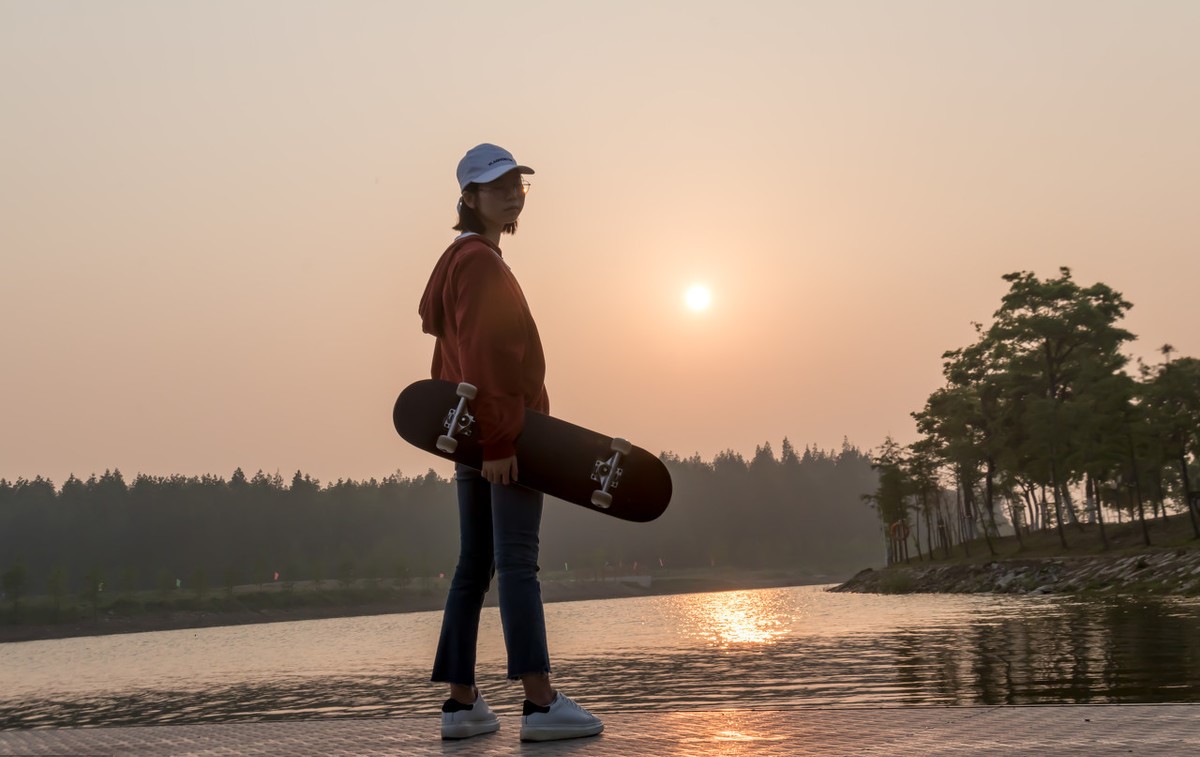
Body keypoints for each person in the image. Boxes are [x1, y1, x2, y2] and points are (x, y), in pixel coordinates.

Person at [417, 143, 604, 742]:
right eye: (496, 186)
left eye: (517, 184)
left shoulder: (460, 260)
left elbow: (447, 365)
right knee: (517, 562)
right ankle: (541, 704)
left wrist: (471, 439)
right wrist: (500, 442)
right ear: (469, 197)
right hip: (505, 439)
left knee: (474, 565)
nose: (511, 193)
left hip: (474, 437)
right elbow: (484, 355)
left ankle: (461, 705)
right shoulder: (479, 264)